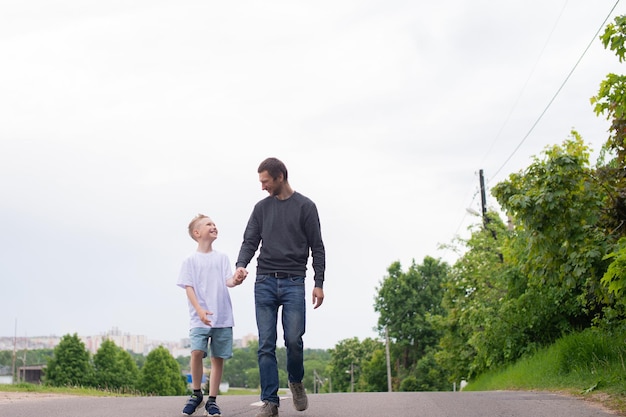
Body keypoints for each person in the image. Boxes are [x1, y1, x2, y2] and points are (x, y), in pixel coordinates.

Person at [236, 157, 326, 417]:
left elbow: (317, 247)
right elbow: (249, 240)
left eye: (265, 181)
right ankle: (270, 402)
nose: (262, 186)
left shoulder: (306, 207)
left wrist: (318, 283)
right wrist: (241, 264)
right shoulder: (261, 208)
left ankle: (296, 382)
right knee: (266, 343)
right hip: (264, 281)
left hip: (294, 282)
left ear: (280, 177)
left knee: (294, 341)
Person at [177, 214, 247, 416]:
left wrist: (237, 278)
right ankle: (197, 394)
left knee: (218, 358)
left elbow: (229, 281)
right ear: (197, 233)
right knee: (196, 352)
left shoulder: (222, 258)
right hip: (199, 317)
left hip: (223, 317)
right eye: (209, 224)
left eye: (215, 224)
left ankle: (212, 400)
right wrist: (199, 310)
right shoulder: (190, 260)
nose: (214, 226)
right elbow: (188, 287)